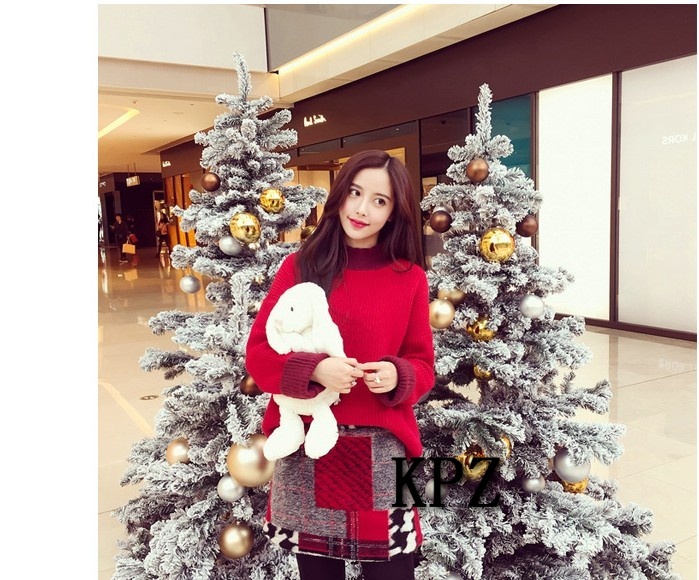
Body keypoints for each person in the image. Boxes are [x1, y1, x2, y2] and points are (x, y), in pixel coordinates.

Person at [245, 150, 435, 580]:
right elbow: (259, 354)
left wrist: (398, 375)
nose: (362, 209)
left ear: (394, 212)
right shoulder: (300, 268)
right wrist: (314, 370)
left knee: (393, 574)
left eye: (380, 201)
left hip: (383, 449)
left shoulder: (409, 278)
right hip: (309, 446)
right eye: (354, 193)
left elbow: (423, 366)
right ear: (339, 195)